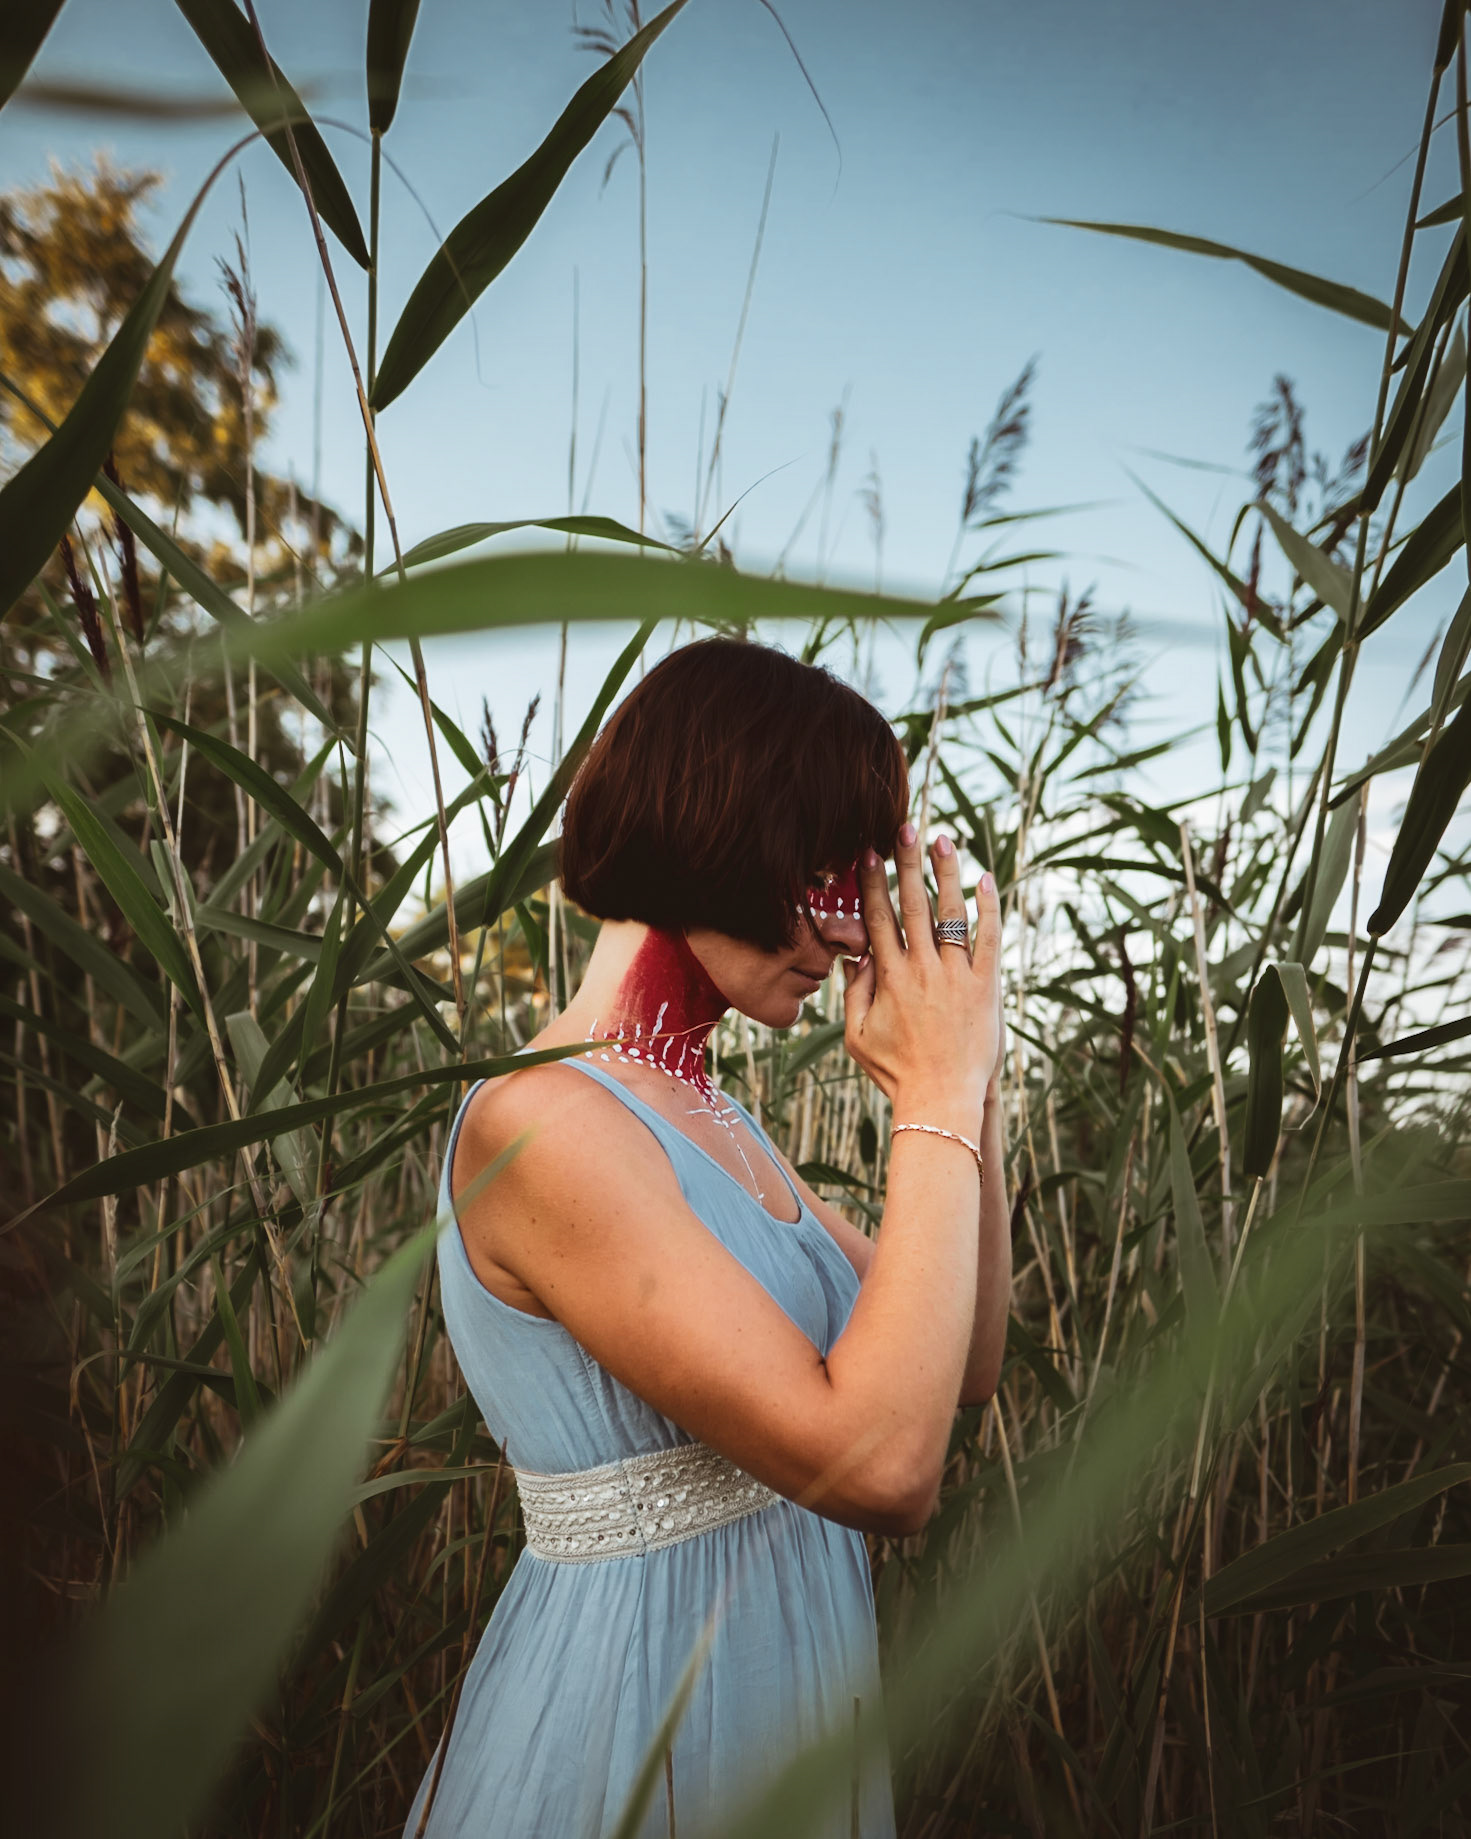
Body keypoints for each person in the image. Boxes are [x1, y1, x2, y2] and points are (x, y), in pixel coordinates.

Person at [403, 638, 1010, 1839]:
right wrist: (935, 1091)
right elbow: (883, 1471)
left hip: (782, 1691)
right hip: (641, 1714)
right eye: (824, 875)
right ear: (721, 836)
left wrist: (967, 1075)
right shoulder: (544, 1125)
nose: (851, 933)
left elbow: (966, 1363)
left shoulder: (714, 1119)